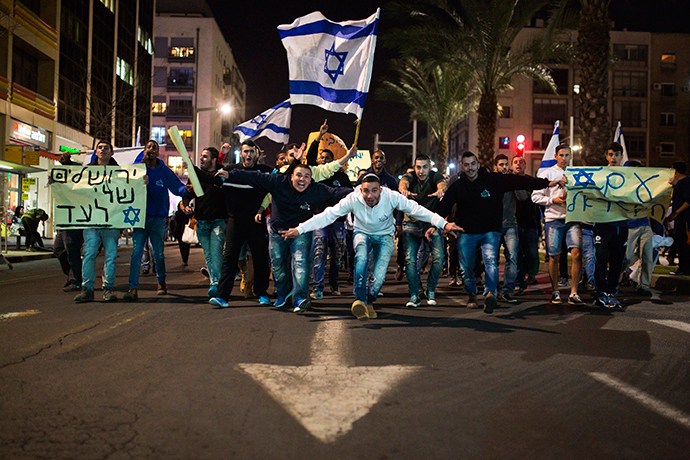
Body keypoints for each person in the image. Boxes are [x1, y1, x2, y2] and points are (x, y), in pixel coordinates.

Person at [282, 173, 462, 320]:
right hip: (362, 233)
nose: (370, 196)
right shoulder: (352, 198)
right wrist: (300, 229)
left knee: (379, 274)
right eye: (366, 191)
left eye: (374, 191)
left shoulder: (391, 196)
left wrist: (443, 224)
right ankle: (360, 299)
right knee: (361, 260)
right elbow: (327, 215)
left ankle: (369, 300)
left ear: (380, 190)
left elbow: (416, 210)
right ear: (360, 190)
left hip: (384, 236)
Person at [217, 159, 354, 313]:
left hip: (301, 232)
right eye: (299, 175)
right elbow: (255, 177)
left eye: (307, 176)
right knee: (278, 267)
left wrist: (361, 190)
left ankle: (300, 298)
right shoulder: (278, 182)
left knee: (301, 266)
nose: (302, 179)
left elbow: (337, 192)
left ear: (311, 179)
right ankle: (282, 293)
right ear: (291, 177)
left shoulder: (317, 190)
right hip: (278, 233)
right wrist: (230, 174)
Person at [439, 151, 560, 313]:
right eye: (466, 165)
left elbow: (521, 181)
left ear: (478, 165)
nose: (470, 168)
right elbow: (443, 207)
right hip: (466, 231)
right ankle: (472, 294)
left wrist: (546, 183)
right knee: (466, 267)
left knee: (490, 262)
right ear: (462, 167)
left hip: (490, 230)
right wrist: (438, 224)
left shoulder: (494, 180)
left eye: (473, 164)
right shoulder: (458, 186)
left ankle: (491, 293)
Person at [198, 141, 272, 307]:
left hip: (256, 221)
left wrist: (297, 161)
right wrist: (191, 165)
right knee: (229, 258)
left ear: (257, 154)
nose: (248, 155)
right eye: (245, 151)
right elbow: (211, 177)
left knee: (260, 258)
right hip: (235, 221)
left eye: (252, 151)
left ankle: (262, 293)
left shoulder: (265, 171)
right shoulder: (231, 170)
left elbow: (283, 177)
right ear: (241, 153)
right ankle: (223, 296)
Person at [124, 140, 187, 301]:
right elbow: (124, 184)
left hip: (158, 217)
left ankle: (161, 282)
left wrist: (188, 191)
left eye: (154, 148)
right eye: (148, 147)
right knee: (137, 252)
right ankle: (133, 287)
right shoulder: (138, 168)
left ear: (158, 153)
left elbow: (176, 187)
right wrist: (139, 175)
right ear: (145, 151)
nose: (151, 149)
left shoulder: (164, 171)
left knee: (158, 252)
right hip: (140, 217)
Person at [532, 144, 586, 306]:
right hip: (553, 220)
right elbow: (535, 197)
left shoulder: (577, 174)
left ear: (571, 157)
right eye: (561, 155)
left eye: (567, 155)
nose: (564, 158)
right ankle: (555, 291)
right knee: (554, 257)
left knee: (577, 254)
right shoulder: (547, 173)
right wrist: (552, 200)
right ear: (555, 156)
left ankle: (574, 291)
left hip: (572, 219)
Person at [305, 119, 354, 299]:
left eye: (327, 158)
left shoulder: (341, 177)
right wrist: (319, 135)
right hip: (319, 219)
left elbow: (351, 195)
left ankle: (333, 284)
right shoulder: (315, 175)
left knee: (336, 255)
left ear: (333, 161)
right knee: (319, 252)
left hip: (337, 222)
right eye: (321, 158)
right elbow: (309, 158)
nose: (323, 160)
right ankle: (317, 287)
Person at [74, 141, 121, 302]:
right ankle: (87, 288)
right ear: (96, 151)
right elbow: (75, 190)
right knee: (89, 255)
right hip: (92, 220)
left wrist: (142, 183)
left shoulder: (120, 172)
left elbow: (129, 189)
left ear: (111, 153)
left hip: (112, 220)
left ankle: (108, 288)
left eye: (106, 148)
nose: (102, 150)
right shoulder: (87, 172)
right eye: (100, 147)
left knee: (111, 256)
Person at [399, 154, 446, 307]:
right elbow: (403, 183)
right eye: (418, 167)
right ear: (414, 167)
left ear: (429, 167)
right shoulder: (410, 176)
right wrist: (404, 190)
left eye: (425, 167)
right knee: (410, 260)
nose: (421, 171)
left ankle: (430, 290)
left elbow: (442, 183)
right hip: (411, 225)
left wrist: (440, 190)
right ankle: (414, 295)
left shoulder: (434, 176)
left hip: (430, 224)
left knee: (439, 258)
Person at [185, 147, 228, 298]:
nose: (201, 159)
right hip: (201, 220)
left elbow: (212, 180)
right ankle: (215, 281)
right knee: (209, 255)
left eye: (205, 157)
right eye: (201, 156)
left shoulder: (222, 173)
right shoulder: (195, 175)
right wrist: (184, 205)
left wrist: (192, 168)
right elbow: (188, 193)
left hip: (218, 220)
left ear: (214, 160)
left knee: (216, 253)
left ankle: (215, 285)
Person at [590, 142, 629, 310]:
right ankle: (601, 292)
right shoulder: (600, 174)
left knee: (616, 259)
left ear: (622, 156)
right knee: (601, 258)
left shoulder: (630, 176)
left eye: (617, 154)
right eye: (611, 154)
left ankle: (611, 292)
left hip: (621, 223)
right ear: (606, 156)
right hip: (602, 223)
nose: (613, 158)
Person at [355, 150, 403, 280]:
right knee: (364, 256)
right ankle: (363, 284)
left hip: (383, 225)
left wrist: (398, 223)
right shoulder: (363, 178)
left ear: (385, 160)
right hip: (365, 224)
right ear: (372, 160)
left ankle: (375, 283)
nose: (378, 160)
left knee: (379, 257)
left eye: (381, 157)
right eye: (376, 157)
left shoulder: (390, 181)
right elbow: (354, 198)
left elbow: (397, 203)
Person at [493, 154, 523, 303]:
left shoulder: (512, 181)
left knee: (512, 257)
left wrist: (514, 182)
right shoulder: (492, 182)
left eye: (506, 164)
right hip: (494, 226)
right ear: (495, 167)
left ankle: (508, 290)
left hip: (510, 224)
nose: (504, 167)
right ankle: (494, 290)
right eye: (501, 165)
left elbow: (523, 197)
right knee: (493, 259)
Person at [623, 160, 654, 297]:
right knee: (627, 256)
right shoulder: (624, 187)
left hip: (645, 225)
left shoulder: (645, 186)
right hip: (630, 226)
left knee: (647, 257)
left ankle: (644, 285)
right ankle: (616, 278)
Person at [512, 155, 541, 295]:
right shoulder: (507, 183)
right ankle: (518, 282)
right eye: (516, 162)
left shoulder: (530, 181)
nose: (518, 165)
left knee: (532, 254)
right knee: (517, 254)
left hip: (530, 223)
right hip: (514, 224)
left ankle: (523, 275)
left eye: (521, 162)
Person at [667, 161, 690, 276]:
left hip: (684, 218)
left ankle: (684, 268)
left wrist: (676, 213)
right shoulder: (680, 183)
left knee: (683, 243)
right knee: (680, 242)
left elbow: (688, 201)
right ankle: (683, 267)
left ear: (676, 171)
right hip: (681, 218)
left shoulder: (685, 183)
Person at [172, 200, 192, 266]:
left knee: (186, 246)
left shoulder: (188, 213)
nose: (182, 206)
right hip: (179, 232)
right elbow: (176, 220)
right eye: (181, 205)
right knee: (181, 246)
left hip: (186, 231)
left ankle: (185, 259)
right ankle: (183, 259)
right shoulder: (178, 213)